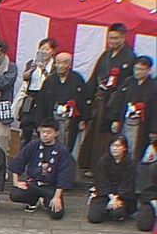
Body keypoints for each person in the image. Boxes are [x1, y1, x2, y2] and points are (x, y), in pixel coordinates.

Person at [81, 23, 136, 173]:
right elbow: (94, 76)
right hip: (100, 99)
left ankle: (103, 168)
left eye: (115, 38)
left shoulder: (129, 57)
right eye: (110, 38)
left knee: (107, 136)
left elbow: (127, 84)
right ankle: (90, 166)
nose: (112, 41)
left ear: (124, 37)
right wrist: (87, 96)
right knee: (94, 134)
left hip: (114, 102)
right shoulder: (106, 54)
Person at [9, 119, 76, 220]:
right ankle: (32, 201)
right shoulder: (33, 145)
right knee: (15, 194)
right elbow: (19, 161)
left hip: (51, 186)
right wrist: (16, 181)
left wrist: (57, 196)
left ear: (56, 133)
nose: (44, 135)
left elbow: (64, 174)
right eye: (42, 132)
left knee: (57, 214)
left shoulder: (62, 151)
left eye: (48, 132)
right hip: (34, 183)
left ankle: (45, 200)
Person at [39, 52, 89, 152]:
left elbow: (84, 99)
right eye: (58, 62)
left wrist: (84, 119)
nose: (61, 66)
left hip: (70, 118)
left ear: (70, 64)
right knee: (50, 144)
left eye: (65, 63)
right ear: (55, 64)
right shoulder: (50, 80)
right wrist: (41, 123)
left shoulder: (77, 79)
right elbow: (42, 102)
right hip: (53, 116)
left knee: (69, 144)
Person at [111, 56, 156, 161]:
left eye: (141, 69)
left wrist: (154, 130)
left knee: (136, 150)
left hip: (142, 124)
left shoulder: (153, 86)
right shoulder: (128, 82)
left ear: (148, 70)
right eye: (136, 69)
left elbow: (155, 110)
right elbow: (118, 101)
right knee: (122, 146)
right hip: (125, 121)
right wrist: (116, 119)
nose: (137, 72)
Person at [88, 135, 138, 224]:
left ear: (124, 148)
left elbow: (127, 183)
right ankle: (106, 208)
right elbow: (101, 181)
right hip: (105, 193)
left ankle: (113, 210)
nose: (114, 149)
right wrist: (111, 196)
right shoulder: (104, 161)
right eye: (112, 146)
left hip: (122, 195)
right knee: (94, 217)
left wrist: (116, 197)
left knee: (117, 213)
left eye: (118, 146)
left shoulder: (130, 163)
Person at [17, 38, 58, 145]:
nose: (44, 52)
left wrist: (44, 70)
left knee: (42, 129)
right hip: (30, 97)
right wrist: (31, 69)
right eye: (42, 49)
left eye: (47, 49)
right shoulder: (32, 62)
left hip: (45, 98)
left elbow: (53, 82)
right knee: (26, 130)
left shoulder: (54, 66)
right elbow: (25, 77)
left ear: (53, 51)